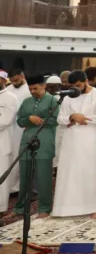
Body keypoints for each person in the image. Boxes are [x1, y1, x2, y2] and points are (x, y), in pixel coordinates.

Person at [52, 70, 96, 218]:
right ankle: (66, 208)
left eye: (78, 85)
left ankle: (94, 207)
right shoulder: (69, 96)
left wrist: (79, 118)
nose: (76, 88)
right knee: (69, 174)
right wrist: (71, 117)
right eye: (73, 86)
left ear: (86, 81)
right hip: (71, 141)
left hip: (90, 141)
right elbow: (60, 119)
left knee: (90, 173)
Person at [13, 74, 59, 218]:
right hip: (27, 142)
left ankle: (44, 208)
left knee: (43, 178)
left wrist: (37, 120)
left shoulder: (53, 100)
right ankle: (20, 208)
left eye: (35, 88)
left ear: (44, 86)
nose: (32, 91)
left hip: (45, 143)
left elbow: (56, 120)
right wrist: (29, 119)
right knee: (25, 177)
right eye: (30, 89)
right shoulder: (26, 102)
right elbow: (19, 121)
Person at [0, 70, 20, 214]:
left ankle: (1, 209)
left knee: (2, 177)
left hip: (2, 143)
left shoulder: (11, 98)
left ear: (3, 80)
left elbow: (5, 120)